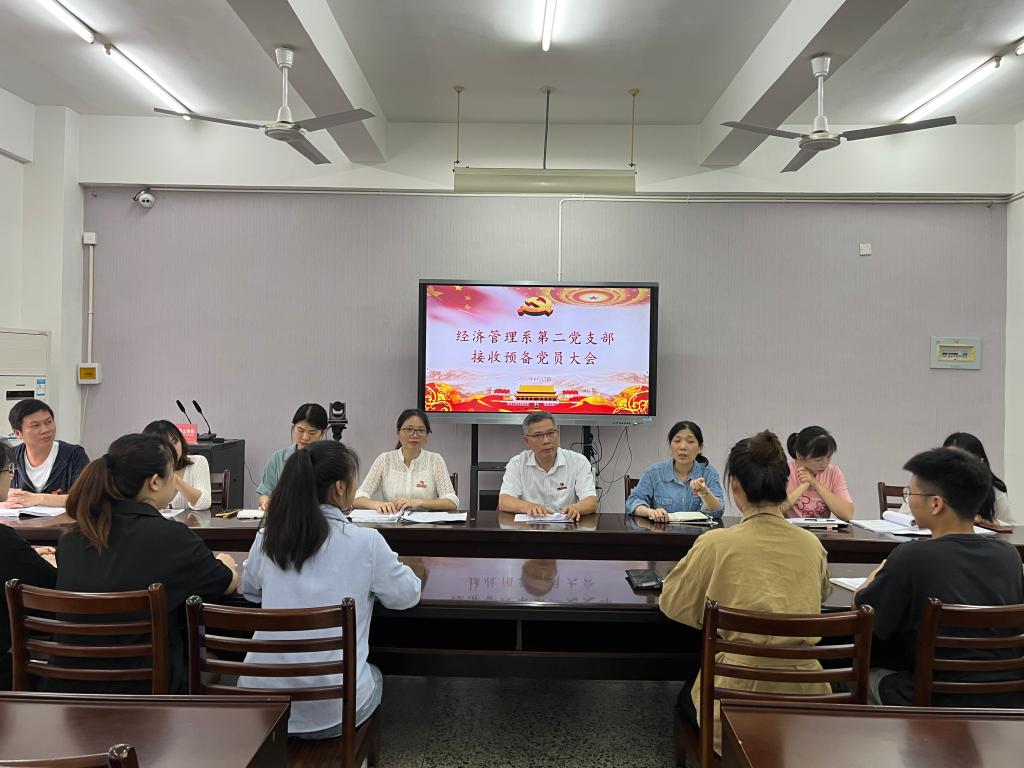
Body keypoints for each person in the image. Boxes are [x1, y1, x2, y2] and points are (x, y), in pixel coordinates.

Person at [659, 430, 831, 756]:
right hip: (806, 706)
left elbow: (673, 604)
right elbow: (820, 595)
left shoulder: (715, 543)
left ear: (735, 485)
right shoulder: (812, 545)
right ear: (784, 484)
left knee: (686, 693)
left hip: (732, 709)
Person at [240, 440, 421, 738]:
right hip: (332, 715)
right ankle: (359, 755)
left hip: (262, 709)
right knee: (374, 674)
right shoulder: (366, 542)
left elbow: (249, 590)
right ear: (339, 488)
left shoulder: (268, 537)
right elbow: (406, 596)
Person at [55, 433, 239, 694]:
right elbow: (226, 584)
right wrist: (228, 564)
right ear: (154, 482)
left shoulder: (72, 538)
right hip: (147, 689)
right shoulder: (173, 538)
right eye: (172, 474)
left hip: (70, 688)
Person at [854, 447, 1024, 707]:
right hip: (1006, 698)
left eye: (911, 493)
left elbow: (865, 614)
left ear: (936, 504)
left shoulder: (911, 557)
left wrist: (871, 579)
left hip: (935, 700)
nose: (909, 500)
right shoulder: (1009, 556)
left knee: (856, 675)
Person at [0, 440, 57, 690]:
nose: (11, 477)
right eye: (8, 470)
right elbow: (52, 586)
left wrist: (25, 553)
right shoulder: (5, 542)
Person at [895, 433, 1013, 527]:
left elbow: (1011, 526)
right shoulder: (927, 484)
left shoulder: (992, 489)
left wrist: (986, 520)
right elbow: (904, 517)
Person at [353, 409, 459, 514]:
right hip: (392, 522)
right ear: (398, 433)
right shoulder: (385, 460)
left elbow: (452, 501)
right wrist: (377, 504)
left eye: (421, 430)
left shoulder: (435, 460)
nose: (415, 435)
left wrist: (418, 502)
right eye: (409, 429)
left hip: (425, 523)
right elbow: (357, 498)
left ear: (426, 435)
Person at [497, 411, 598, 522]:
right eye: (538, 435)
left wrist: (576, 508)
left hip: (566, 528)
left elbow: (591, 501)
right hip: (529, 528)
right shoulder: (517, 463)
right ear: (527, 441)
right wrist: (529, 507)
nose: (546, 440)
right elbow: (504, 501)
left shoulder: (578, 461)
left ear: (557, 434)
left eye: (550, 433)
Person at [626, 420, 725, 521]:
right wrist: (650, 512)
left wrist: (704, 492)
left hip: (699, 531)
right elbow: (632, 501)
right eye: (677, 441)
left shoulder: (709, 473)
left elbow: (718, 511)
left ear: (700, 447)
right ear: (670, 445)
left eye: (690, 441)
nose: (683, 447)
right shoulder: (653, 473)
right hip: (661, 530)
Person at [2, 399, 89, 508]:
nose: (45, 430)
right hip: (15, 519)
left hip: (62, 519)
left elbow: (85, 498)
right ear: (17, 433)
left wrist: (36, 498)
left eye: (49, 422)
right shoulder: (8, 457)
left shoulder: (74, 455)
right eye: (35, 425)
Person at [257, 403, 328, 510]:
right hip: (284, 516)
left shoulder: (329, 460)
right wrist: (267, 502)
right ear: (293, 427)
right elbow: (265, 493)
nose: (305, 437)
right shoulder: (278, 458)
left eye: (312, 432)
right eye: (300, 430)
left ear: (323, 432)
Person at [784, 425, 854, 521]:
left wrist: (815, 483)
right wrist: (804, 486)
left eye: (828, 457)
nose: (824, 464)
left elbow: (847, 514)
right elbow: (775, 510)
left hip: (822, 530)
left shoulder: (833, 473)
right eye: (818, 460)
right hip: (789, 529)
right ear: (799, 455)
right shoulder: (784, 470)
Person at [141, 420, 211, 511]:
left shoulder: (197, 462)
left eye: (175, 442)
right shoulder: (143, 468)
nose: (173, 449)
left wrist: (174, 478)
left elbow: (204, 503)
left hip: (189, 520)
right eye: (165, 445)